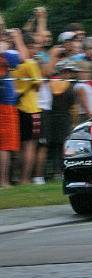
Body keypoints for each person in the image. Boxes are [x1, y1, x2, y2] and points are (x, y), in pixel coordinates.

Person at [11, 33, 42, 184]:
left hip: (16, 107)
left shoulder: (11, 64)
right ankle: (25, 179)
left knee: (19, 146)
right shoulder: (30, 63)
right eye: (32, 47)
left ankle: (15, 177)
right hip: (31, 109)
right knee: (30, 146)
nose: (35, 50)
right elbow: (38, 85)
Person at [0, 31, 23, 188]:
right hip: (5, 105)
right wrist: (17, 38)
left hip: (6, 102)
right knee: (5, 145)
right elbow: (21, 58)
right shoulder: (4, 52)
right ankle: (3, 182)